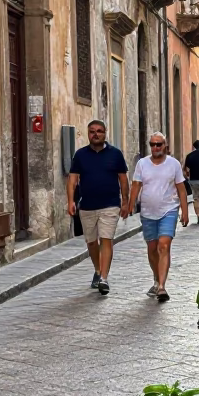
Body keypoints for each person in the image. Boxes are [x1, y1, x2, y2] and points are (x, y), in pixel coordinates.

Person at [67, 119, 129, 296]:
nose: (96, 134)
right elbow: (72, 179)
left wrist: (125, 202)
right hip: (86, 206)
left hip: (110, 205)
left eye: (99, 131)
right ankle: (97, 270)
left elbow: (123, 180)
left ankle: (104, 278)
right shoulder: (80, 155)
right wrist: (71, 201)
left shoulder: (115, 154)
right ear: (88, 134)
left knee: (106, 239)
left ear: (105, 133)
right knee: (91, 242)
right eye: (92, 131)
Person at [129, 133, 189, 302]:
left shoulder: (174, 164)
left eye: (159, 144)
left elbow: (181, 189)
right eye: (152, 144)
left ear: (165, 145)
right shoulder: (142, 164)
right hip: (147, 212)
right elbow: (136, 185)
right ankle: (156, 279)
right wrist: (129, 205)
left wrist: (184, 211)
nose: (155, 148)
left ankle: (162, 286)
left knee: (164, 245)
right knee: (152, 248)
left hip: (169, 210)